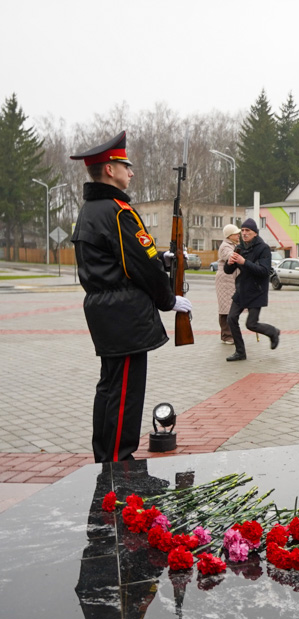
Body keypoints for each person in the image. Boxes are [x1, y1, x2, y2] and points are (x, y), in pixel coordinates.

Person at [69, 131, 192, 463]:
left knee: (109, 388)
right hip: (124, 313)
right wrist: (168, 300)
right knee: (125, 394)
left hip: (106, 310)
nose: (131, 172)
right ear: (110, 169)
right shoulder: (118, 210)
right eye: (126, 165)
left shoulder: (90, 210)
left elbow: (125, 258)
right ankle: (118, 464)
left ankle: (106, 458)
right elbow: (140, 265)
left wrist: (160, 258)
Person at [223, 218, 280, 361]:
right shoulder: (239, 247)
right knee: (231, 319)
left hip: (257, 291)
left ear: (255, 233)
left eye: (247, 230)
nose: (244, 233)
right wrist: (229, 263)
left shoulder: (263, 248)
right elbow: (228, 270)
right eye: (242, 230)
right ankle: (240, 352)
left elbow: (264, 271)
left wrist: (244, 262)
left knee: (251, 324)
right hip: (242, 289)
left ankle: (273, 332)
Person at [216, 224, 241, 344]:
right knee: (225, 308)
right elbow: (231, 256)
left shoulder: (234, 245)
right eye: (236, 233)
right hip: (225, 279)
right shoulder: (225, 246)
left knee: (230, 307)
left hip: (232, 279)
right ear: (230, 235)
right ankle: (227, 335)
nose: (238, 235)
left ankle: (230, 333)